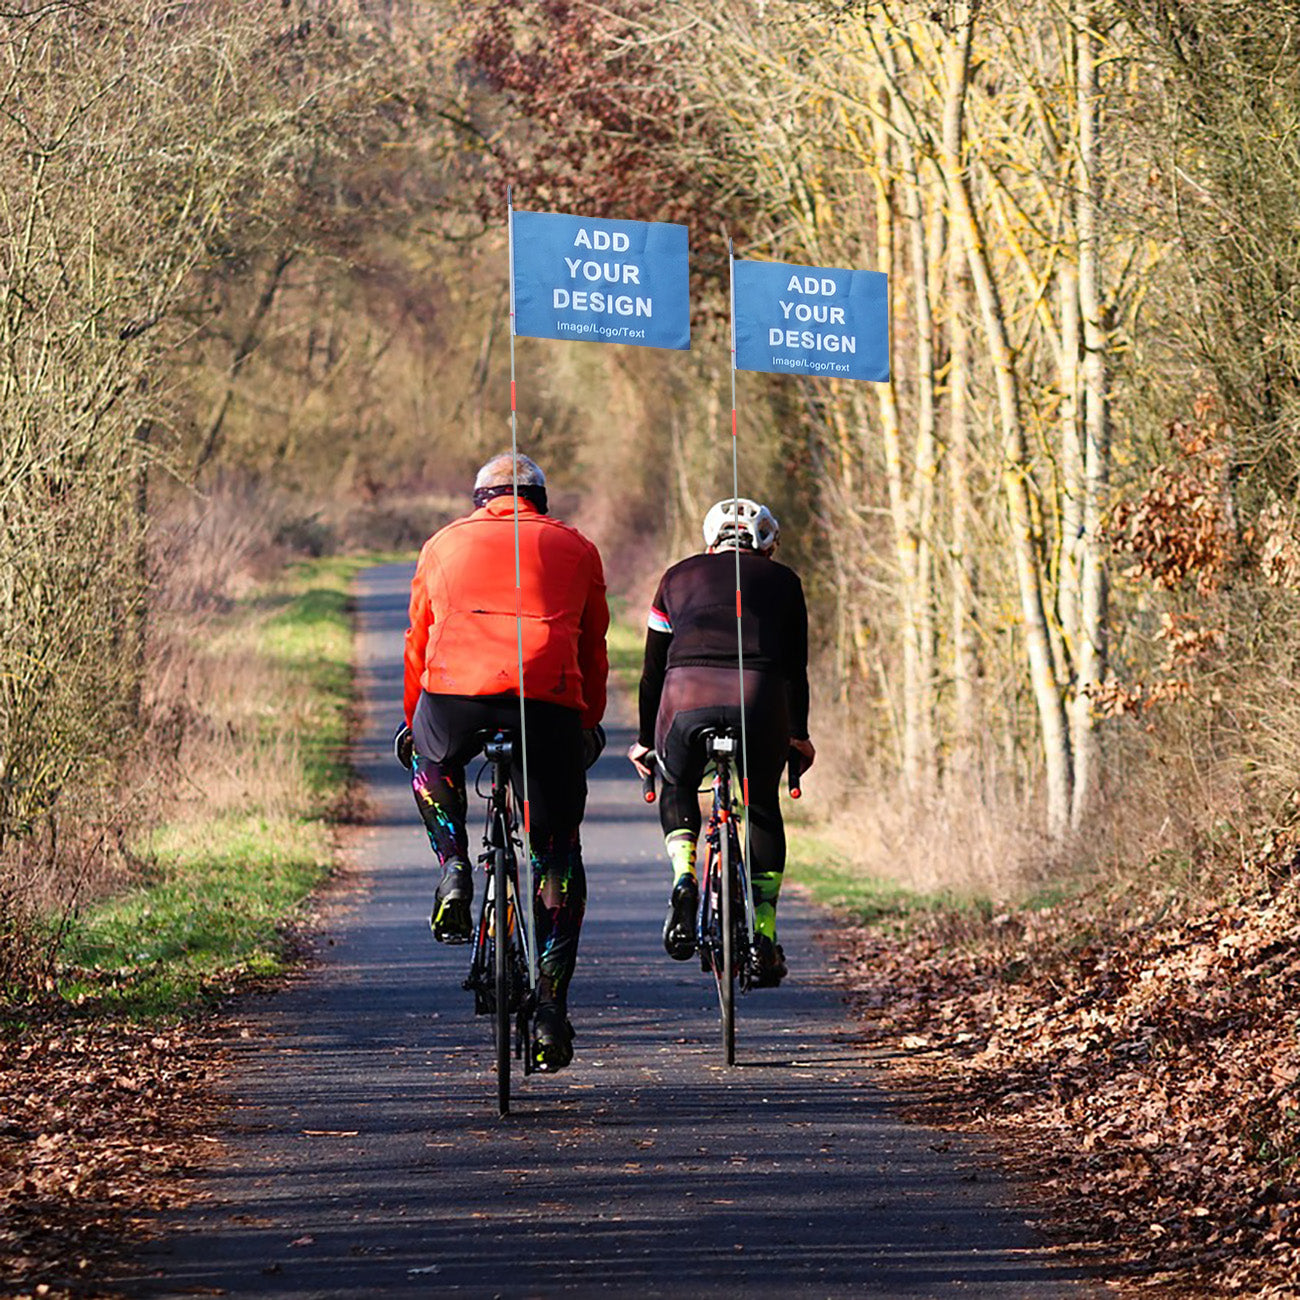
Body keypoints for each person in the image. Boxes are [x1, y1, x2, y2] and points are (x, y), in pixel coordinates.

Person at [396, 452, 609, 1072]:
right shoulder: (579, 548)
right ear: (539, 500)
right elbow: (591, 645)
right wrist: (587, 719)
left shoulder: (442, 544)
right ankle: (549, 1007)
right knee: (557, 851)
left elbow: (418, 639)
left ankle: (455, 866)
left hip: (455, 696)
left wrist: (417, 721)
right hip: (545, 704)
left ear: (479, 499)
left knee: (431, 761)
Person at [627, 497, 815, 987]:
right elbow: (796, 669)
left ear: (711, 539)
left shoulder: (676, 577)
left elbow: (652, 673)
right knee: (762, 808)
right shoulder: (786, 581)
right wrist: (799, 736)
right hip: (760, 700)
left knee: (679, 781)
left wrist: (646, 741)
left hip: (686, 696)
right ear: (767, 544)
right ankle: (765, 932)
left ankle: (685, 875)